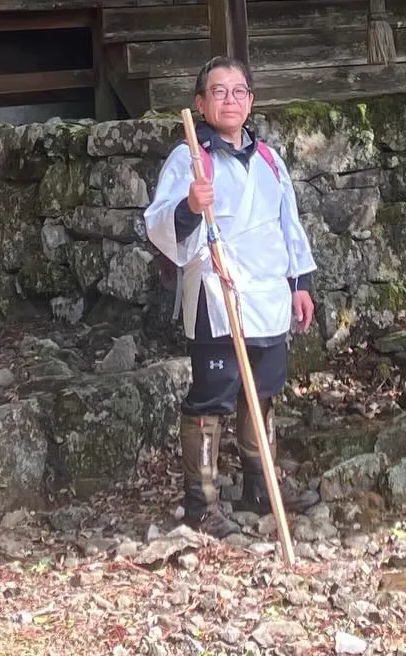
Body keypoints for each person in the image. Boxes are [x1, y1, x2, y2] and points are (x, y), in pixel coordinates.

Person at [144, 56, 316, 538]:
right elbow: (159, 222)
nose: (230, 100)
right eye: (218, 92)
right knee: (212, 398)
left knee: (261, 393)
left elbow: (290, 225)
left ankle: (260, 488)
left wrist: (300, 284)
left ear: (251, 101)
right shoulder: (189, 158)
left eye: (239, 91)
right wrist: (190, 207)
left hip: (267, 292)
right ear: (200, 103)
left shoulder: (269, 159)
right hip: (217, 293)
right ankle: (202, 501)